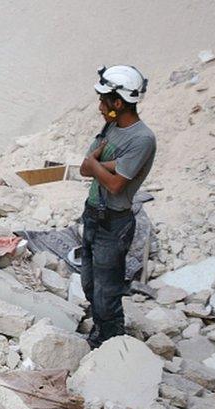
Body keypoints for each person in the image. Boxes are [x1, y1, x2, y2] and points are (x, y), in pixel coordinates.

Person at [79, 65, 156, 349]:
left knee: (106, 293)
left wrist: (96, 165)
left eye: (104, 100)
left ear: (118, 102)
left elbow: (114, 185)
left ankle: (111, 345)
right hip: (93, 216)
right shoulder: (110, 127)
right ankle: (101, 332)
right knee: (89, 284)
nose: (100, 107)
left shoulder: (142, 139)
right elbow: (85, 168)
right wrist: (98, 166)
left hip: (113, 224)